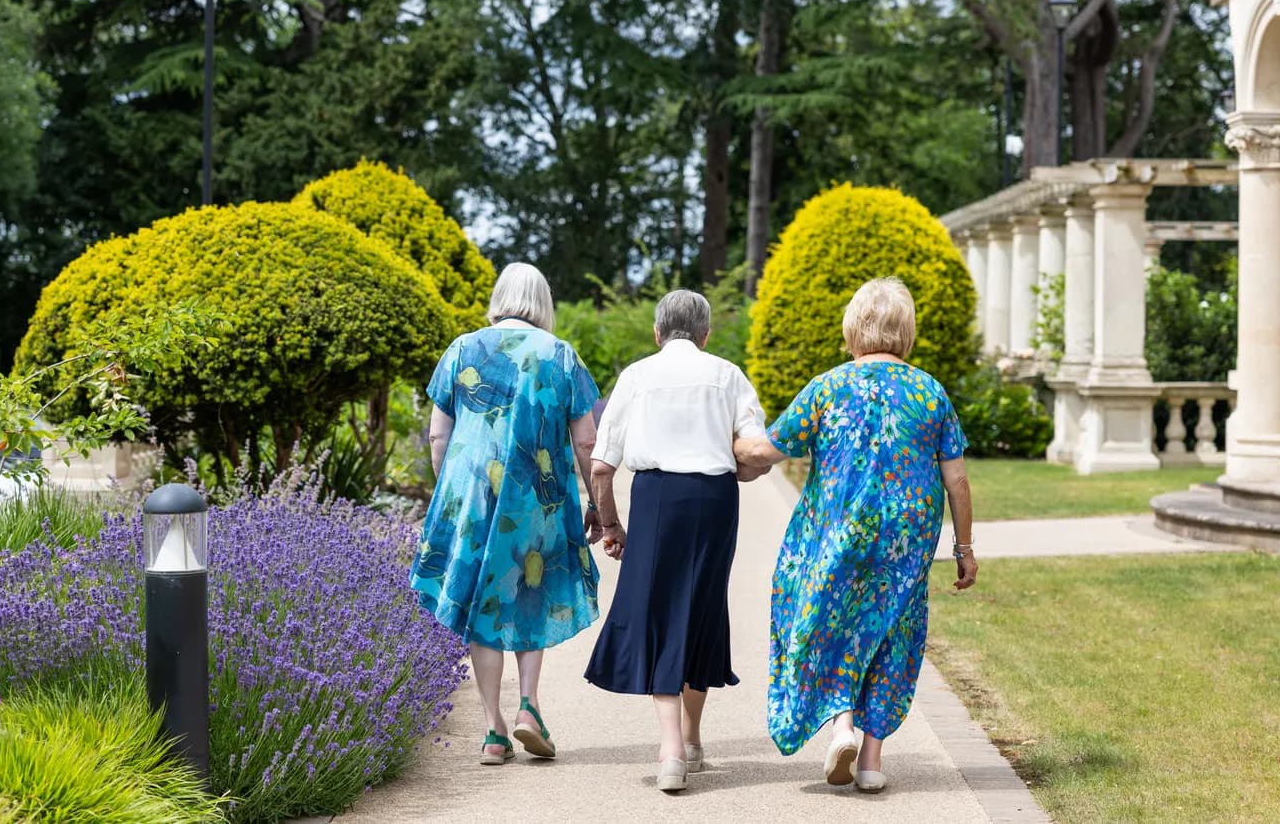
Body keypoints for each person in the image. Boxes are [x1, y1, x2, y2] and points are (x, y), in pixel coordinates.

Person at [733, 277, 978, 793]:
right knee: (891, 629)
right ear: (905, 331)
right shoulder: (930, 391)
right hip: (908, 537)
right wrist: (964, 548)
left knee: (823, 619)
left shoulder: (828, 387)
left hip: (839, 528)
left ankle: (841, 723)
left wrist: (720, 442)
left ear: (853, 327)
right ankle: (870, 761)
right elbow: (956, 478)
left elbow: (765, 452)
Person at [410, 262, 603, 766]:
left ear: (499, 298)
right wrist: (598, 504)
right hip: (535, 495)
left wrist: (448, 494)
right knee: (529, 589)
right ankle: (529, 707)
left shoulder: (462, 349)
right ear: (543, 304)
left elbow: (437, 435)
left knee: (484, 603)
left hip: (471, 493)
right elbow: (586, 439)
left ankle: (493, 730)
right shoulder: (560, 355)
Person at [583, 290, 771, 793]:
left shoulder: (637, 376)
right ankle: (691, 739)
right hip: (714, 500)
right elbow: (756, 455)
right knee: (701, 607)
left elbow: (602, 468)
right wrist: (737, 467)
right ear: (706, 334)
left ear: (657, 332)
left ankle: (670, 750)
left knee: (656, 611)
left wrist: (612, 525)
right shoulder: (728, 374)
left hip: (657, 498)